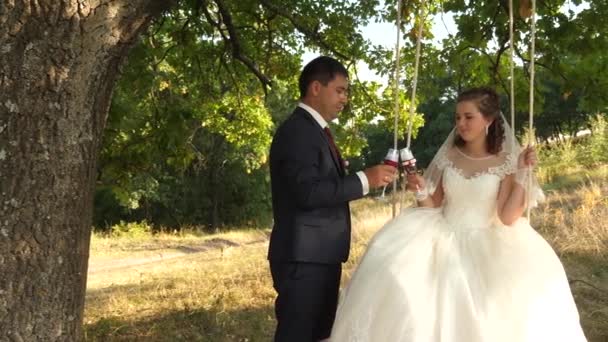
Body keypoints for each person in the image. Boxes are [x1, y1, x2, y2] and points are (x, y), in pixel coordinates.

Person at [329, 87, 588, 342]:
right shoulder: (450, 156)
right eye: (458, 117)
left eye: (468, 117)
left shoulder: (505, 161)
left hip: (487, 242)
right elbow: (433, 206)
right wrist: (420, 190)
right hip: (442, 236)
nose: (461, 124)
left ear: (488, 120)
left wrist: (522, 174)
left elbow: (508, 217)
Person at [267, 56, 397, 342]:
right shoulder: (298, 132)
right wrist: (366, 179)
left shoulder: (314, 131)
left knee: (320, 335)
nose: (345, 99)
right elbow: (308, 192)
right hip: (303, 257)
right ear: (316, 87)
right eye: (340, 90)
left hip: (318, 255)